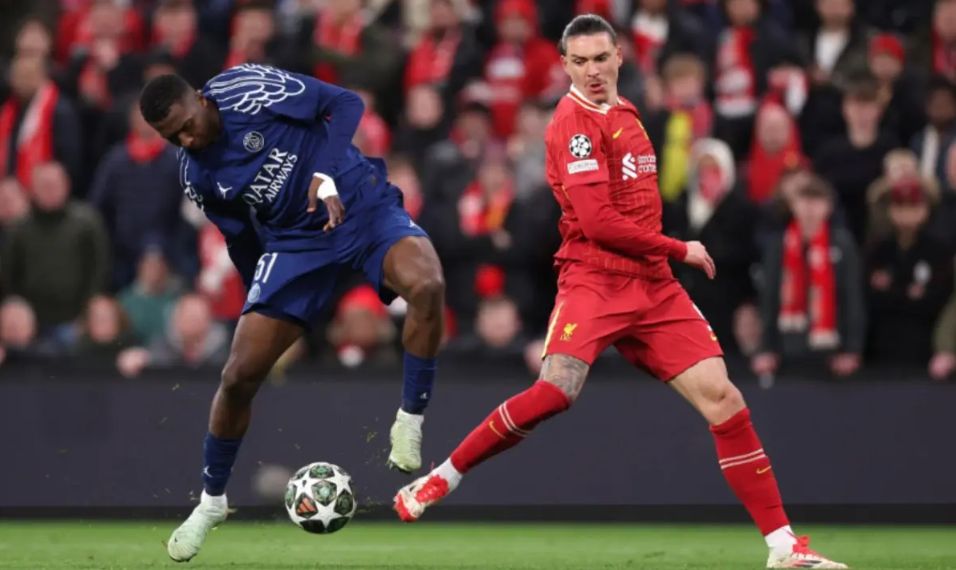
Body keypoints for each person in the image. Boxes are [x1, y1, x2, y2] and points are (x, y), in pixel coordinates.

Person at [392, 16, 847, 570]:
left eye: (600, 59)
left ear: (619, 56)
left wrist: (663, 257)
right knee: (557, 391)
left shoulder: (628, 114)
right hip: (596, 278)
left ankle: (783, 547)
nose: (591, 71)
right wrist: (681, 248)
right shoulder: (572, 124)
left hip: (653, 285)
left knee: (725, 400)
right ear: (564, 65)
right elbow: (599, 221)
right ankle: (443, 477)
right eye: (579, 62)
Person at [137, 63, 446, 561]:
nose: (188, 140)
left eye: (188, 124)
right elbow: (239, 238)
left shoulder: (248, 90)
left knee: (428, 284)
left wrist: (323, 173)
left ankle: (409, 418)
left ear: (201, 97)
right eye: (172, 137)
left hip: (358, 202)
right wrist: (256, 303)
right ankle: (212, 501)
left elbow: (344, 104)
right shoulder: (198, 176)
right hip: (296, 245)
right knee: (238, 374)